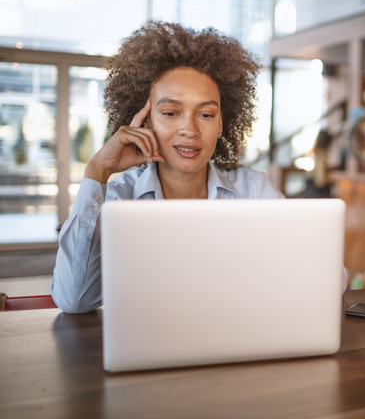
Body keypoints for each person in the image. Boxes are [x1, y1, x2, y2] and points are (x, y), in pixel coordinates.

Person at [51, 21, 284, 313]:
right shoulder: (117, 200)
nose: (189, 128)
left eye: (207, 114)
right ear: (145, 121)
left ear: (222, 122)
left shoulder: (255, 191)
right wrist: (97, 170)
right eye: (171, 112)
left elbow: (322, 278)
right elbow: (73, 299)